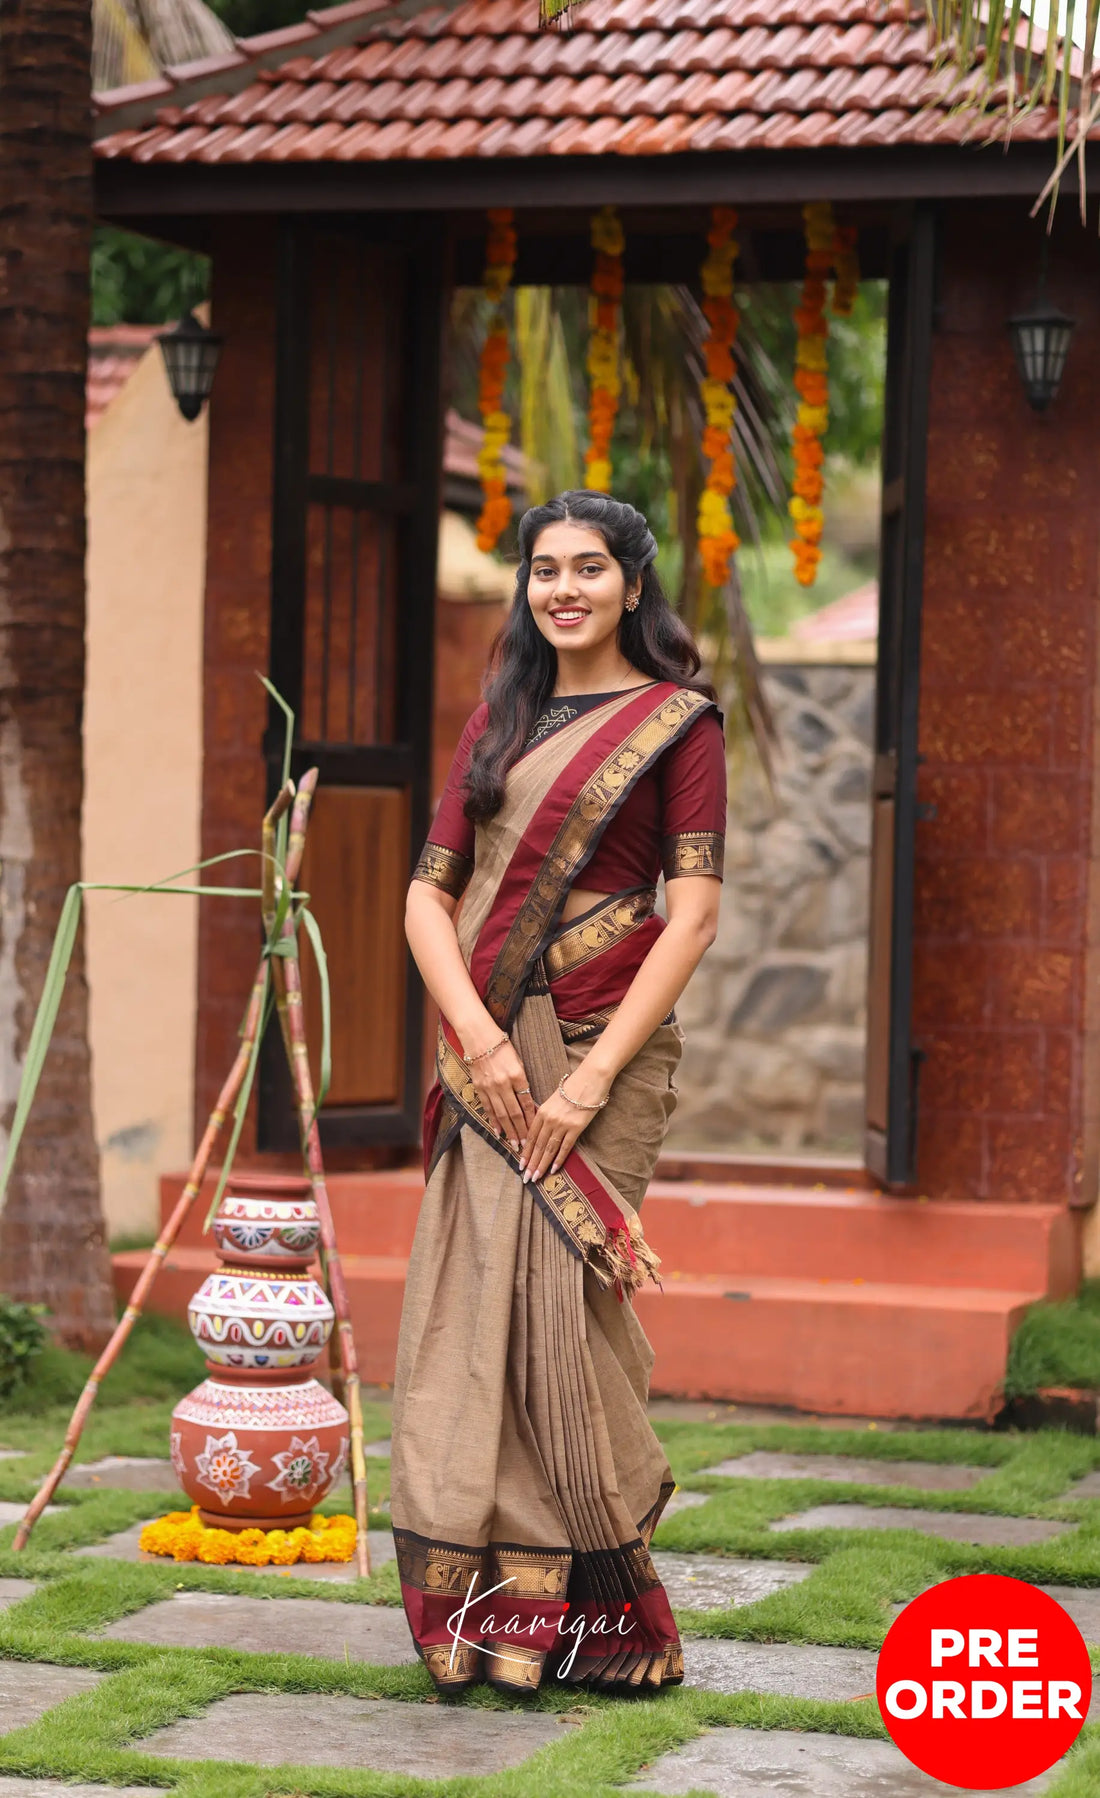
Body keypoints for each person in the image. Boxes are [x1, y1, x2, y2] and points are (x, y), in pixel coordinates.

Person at [391, 490, 726, 1695]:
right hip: (491, 1058)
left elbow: (689, 914)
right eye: (544, 568)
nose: (564, 588)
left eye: (590, 567)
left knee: (565, 1327)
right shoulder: (503, 716)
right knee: (475, 1327)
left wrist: (583, 1081)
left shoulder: (677, 724)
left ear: (634, 585)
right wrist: (479, 1038)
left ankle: (583, 1612)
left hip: (604, 1053)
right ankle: (480, 1618)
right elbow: (431, 894)